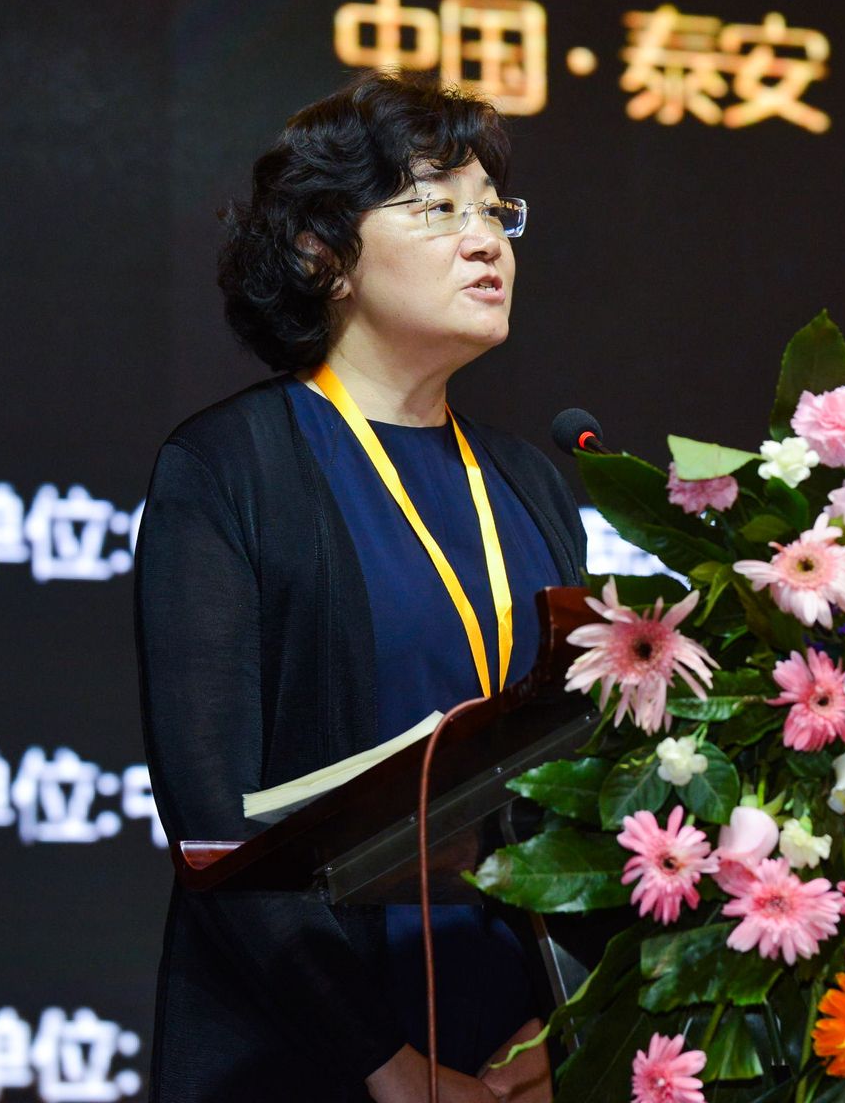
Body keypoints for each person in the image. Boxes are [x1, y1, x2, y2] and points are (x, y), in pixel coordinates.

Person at [134, 68, 586, 1102]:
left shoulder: (530, 483)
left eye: (495, 211)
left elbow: (585, 794)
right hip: (306, 1050)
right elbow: (215, 831)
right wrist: (391, 1069)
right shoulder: (230, 469)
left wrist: (562, 1027)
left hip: (520, 1046)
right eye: (437, 208)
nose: (486, 240)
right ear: (321, 252)